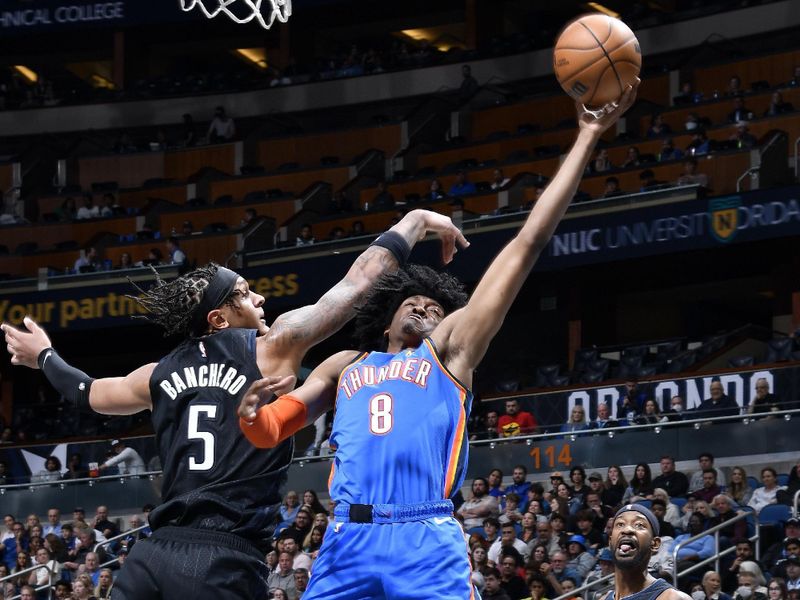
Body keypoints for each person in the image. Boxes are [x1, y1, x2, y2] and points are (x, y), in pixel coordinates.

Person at [238, 85, 639, 600]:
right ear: (388, 316)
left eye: (438, 308)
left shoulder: (448, 352)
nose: (428, 309)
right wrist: (252, 417)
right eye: (417, 303)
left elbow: (526, 245)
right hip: (348, 539)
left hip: (424, 536)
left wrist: (587, 135)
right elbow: (277, 426)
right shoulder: (344, 363)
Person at [1, 209, 465, 600]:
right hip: (223, 556)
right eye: (244, 292)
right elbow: (361, 281)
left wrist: (42, 355)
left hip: (151, 555)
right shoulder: (272, 347)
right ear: (219, 316)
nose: (259, 297)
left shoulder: (157, 373)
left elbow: (85, 392)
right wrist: (414, 220)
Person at [608, 503, 690, 600]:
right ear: (610, 542)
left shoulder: (672, 598)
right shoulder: (603, 598)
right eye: (620, 524)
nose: (627, 529)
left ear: (655, 544)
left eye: (639, 525)